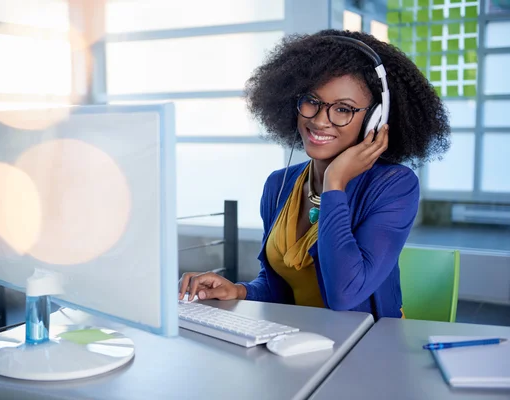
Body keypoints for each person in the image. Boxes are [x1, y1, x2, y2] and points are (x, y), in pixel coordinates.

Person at [178, 29, 450, 319]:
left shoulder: (394, 186)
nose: (320, 120)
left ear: (375, 119)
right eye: (311, 101)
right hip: (297, 339)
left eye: (343, 109)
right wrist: (240, 291)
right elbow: (278, 288)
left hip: (366, 344)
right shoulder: (278, 185)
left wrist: (335, 182)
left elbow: (344, 294)